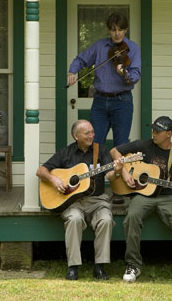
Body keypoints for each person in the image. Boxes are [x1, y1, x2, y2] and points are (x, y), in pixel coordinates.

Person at [109, 116, 172, 285]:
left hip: (170, 197)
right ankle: (133, 265)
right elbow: (115, 151)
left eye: (157, 131)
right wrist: (124, 172)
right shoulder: (144, 145)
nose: (153, 133)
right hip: (144, 195)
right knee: (131, 217)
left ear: (169, 134)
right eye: (152, 130)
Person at [36, 120, 121, 280]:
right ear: (76, 136)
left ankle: (100, 266)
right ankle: (73, 267)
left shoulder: (101, 150)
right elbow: (41, 171)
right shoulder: (65, 153)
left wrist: (117, 171)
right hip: (73, 202)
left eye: (92, 132)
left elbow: (109, 174)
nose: (92, 135)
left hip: (97, 200)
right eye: (87, 133)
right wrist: (54, 180)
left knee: (106, 220)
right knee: (74, 219)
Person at [67, 12, 142, 147]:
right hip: (100, 101)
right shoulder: (99, 46)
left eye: (120, 30)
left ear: (126, 30)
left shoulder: (133, 48)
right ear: (109, 30)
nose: (117, 33)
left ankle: (117, 169)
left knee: (121, 144)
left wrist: (125, 74)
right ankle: (96, 168)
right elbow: (81, 59)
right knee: (94, 143)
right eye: (113, 30)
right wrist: (72, 71)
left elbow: (136, 74)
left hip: (122, 101)